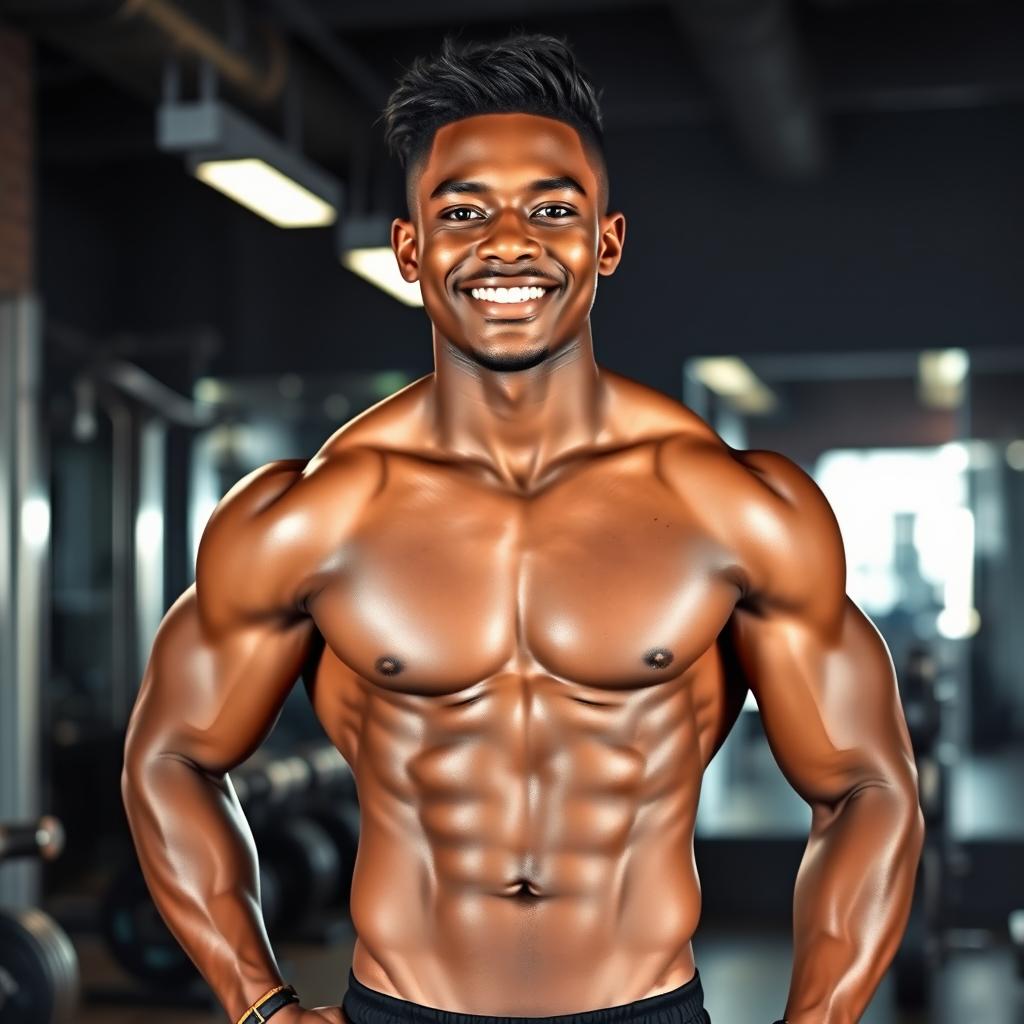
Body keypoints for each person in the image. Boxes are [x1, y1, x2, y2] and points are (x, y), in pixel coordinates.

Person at [121, 31, 925, 1024]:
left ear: (606, 241)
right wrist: (259, 1004)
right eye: (464, 212)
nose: (509, 244)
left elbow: (864, 785)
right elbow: (169, 756)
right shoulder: (309, 515)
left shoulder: (733, 505)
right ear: (411, 247)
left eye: (553, 209)